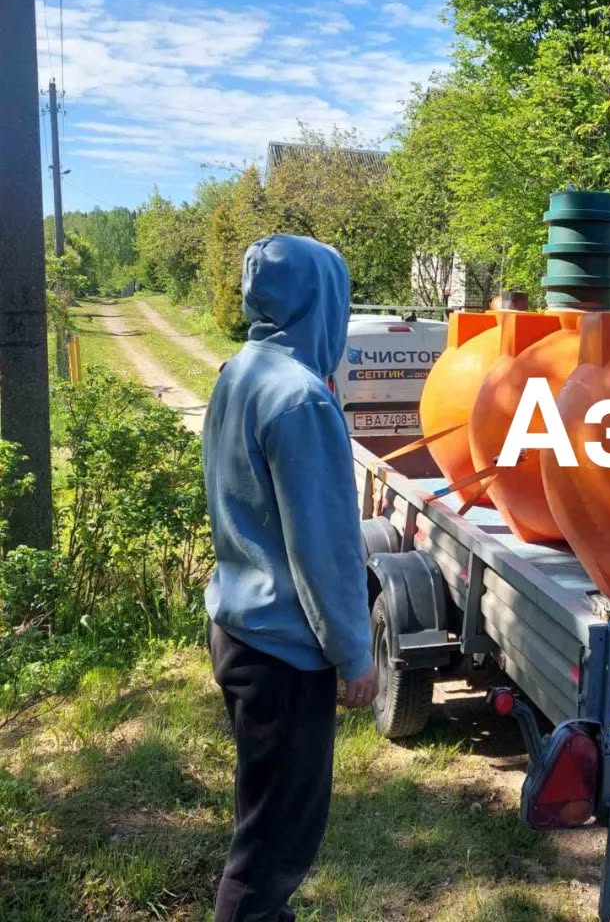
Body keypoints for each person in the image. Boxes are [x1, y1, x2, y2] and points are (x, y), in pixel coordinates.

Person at [203, 233, 378, 921]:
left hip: (240, 630)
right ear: (321, 302)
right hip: (284, 651)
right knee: (273, 849)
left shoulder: (239, 370)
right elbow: (325, 548)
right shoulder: (302, 398)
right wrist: (355, 654)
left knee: (265, 817)